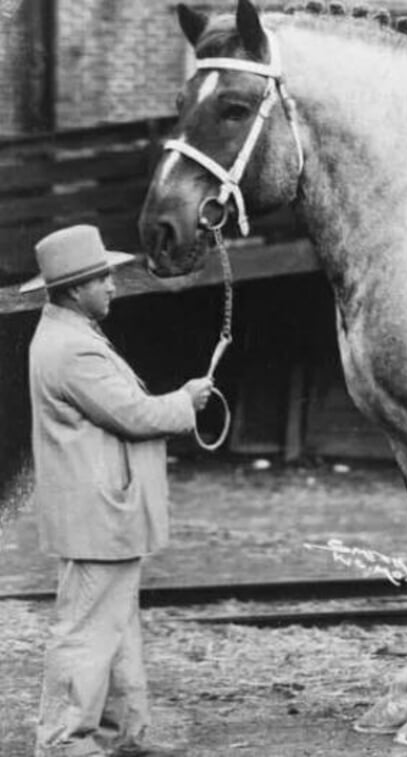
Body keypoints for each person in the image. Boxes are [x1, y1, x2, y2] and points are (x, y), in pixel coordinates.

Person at [20, 225, 214, 757]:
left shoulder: (71, 334)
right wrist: (185, 401)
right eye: (101, 276)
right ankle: (63, 743)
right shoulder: (72, 350)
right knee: (86, 633)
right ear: (74, 288)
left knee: (115, 630)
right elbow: (135, 415)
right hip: (97, 515)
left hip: (101, 514)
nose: (112, 285)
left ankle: (122, 734)